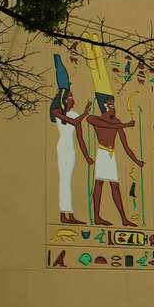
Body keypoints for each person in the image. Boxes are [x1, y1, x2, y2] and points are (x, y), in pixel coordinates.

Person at [87, 97, 144, 226]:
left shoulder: (116, 122)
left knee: (115, 187)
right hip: (102, 153)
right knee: (99, 184)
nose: (114, 108)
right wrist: (126, 125)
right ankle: (97, 217)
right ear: (105, 107)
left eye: (114, 106)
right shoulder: (95, 119)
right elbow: (105, 125)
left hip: (111, 156)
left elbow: (126, 146)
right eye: (111, 106)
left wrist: (136, 161)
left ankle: (124, 219)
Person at [50, 88, 93, 224]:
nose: (72, 99)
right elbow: (73, 122)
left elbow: (80, 139)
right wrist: (85, 113)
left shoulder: (75, 115)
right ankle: (64, 214)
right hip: (63, 148)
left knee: (67, 181)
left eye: (72, 96)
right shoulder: (56, 112)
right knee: (64, 181)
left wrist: (87, 157)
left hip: (71, 150)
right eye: (70, 96)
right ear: (63, 99)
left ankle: (69, 214)